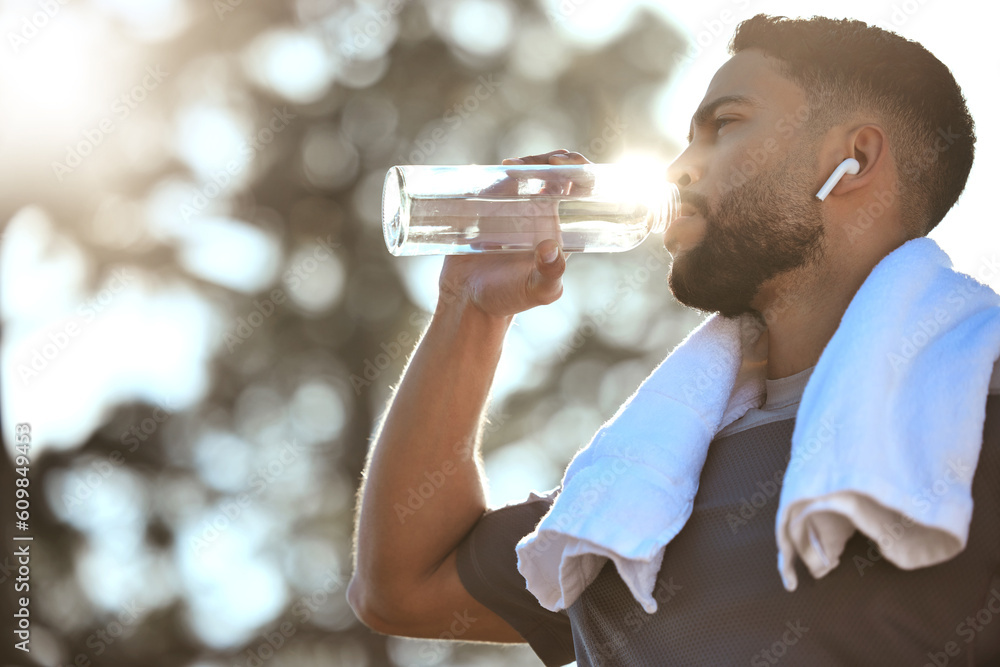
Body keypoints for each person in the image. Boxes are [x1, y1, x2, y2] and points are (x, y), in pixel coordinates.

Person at [347, 14, 1000, 666]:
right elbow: (403, 585)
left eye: (725, 125)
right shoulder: (643, 481)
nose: (681, 167)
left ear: (851, 159)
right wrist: (469, 306)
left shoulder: (972, 424)